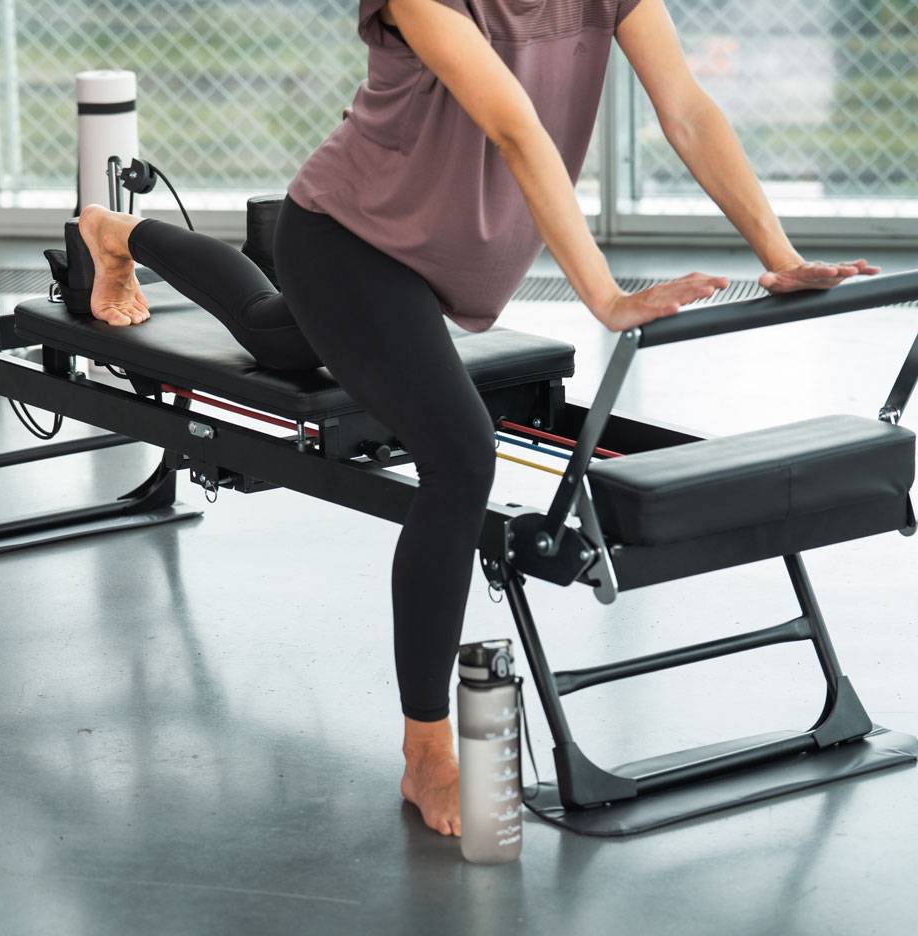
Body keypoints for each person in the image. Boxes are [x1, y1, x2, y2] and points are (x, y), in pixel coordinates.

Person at [75, 0, 878, 838]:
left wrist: (778, 257)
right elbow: (513, 126)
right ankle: (426, 753)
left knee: (277, 334)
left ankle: (118, 231)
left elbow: (686, 108)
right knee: (460, 454)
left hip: (437, 257)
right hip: (349, 239)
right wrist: (603, 295)